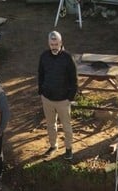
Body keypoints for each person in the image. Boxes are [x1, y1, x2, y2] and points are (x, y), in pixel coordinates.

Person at [38, 31, 78, 161]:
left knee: (66, 127)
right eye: (51, 44)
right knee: (50, 125)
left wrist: (70, 98)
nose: (54, 47)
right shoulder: (44, 56)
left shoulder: (68, 58)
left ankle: (68, 149)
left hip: (63, 100)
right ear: (48, 43)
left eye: (56, 44)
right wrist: (41, 92)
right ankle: (53, 146)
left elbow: (74, 79)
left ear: (61, 43)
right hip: (47, 98)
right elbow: (40, 74)